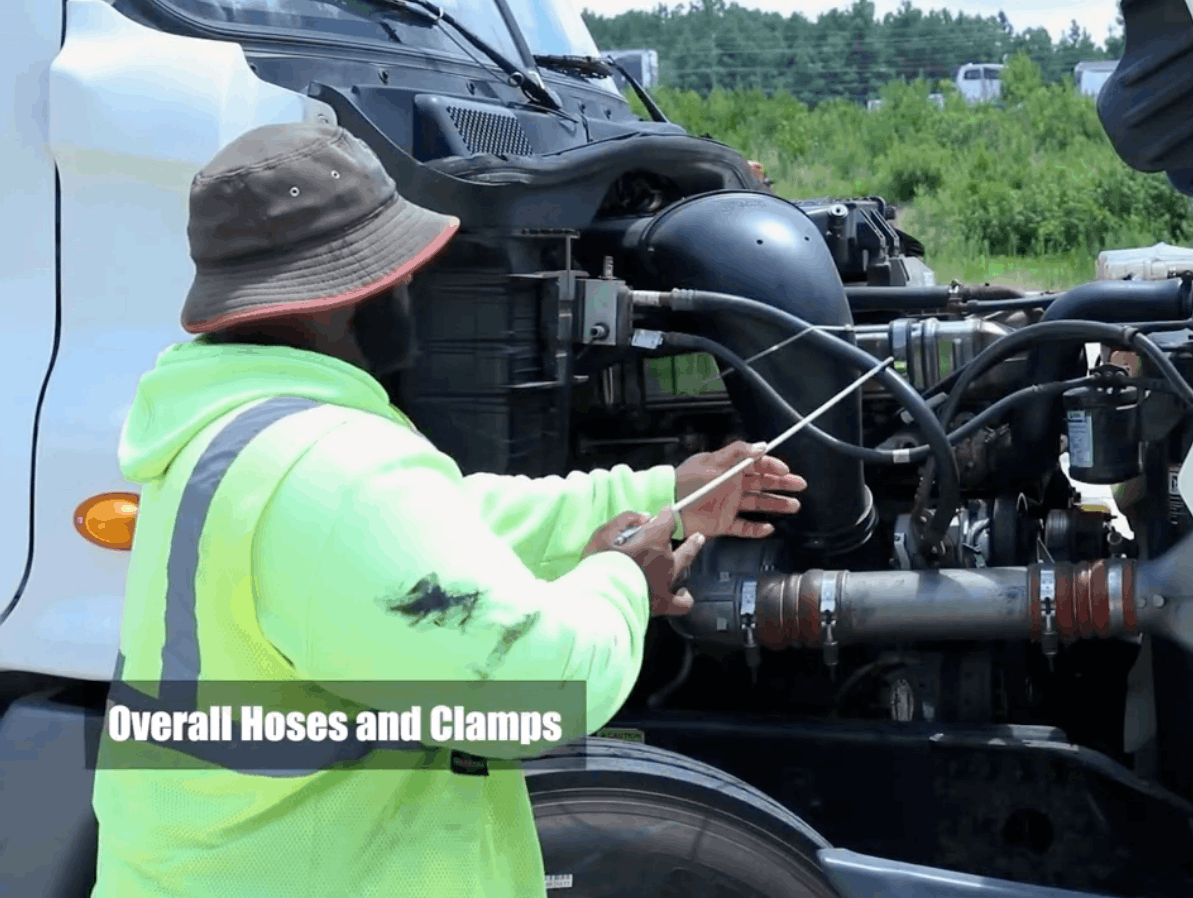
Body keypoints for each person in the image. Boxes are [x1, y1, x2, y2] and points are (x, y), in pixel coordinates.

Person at [91, 121, 807, 897]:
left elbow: (447, 518)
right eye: (401, 272)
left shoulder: (239, 434)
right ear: (350, 290)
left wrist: (665, 495)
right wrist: (623, 583)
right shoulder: (333, 472)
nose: (411, 286)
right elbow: (535, 694)